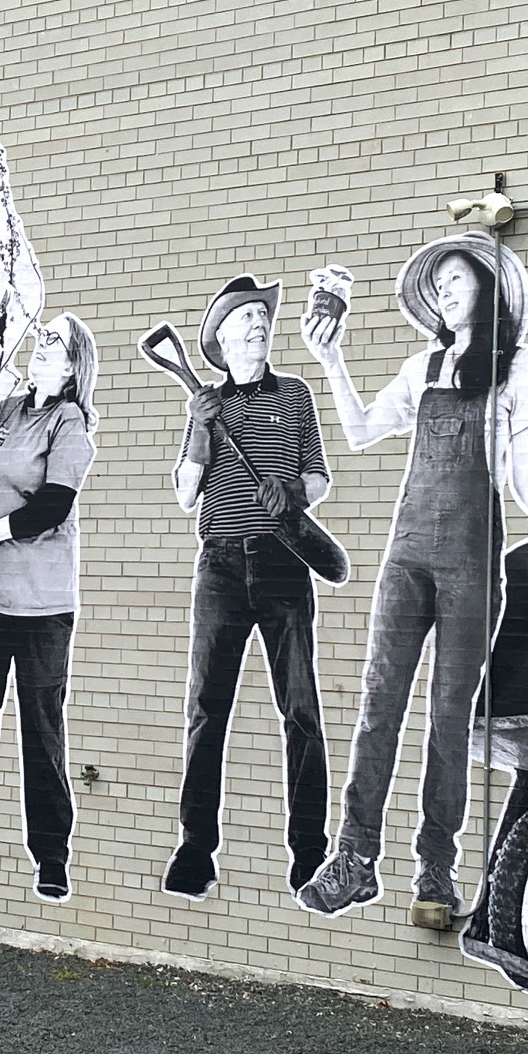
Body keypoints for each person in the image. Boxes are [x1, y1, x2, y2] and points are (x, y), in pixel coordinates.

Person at [303, 232, 528, 924]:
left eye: (458, 280)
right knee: (379, 707)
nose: (445, 291)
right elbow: (358, 431)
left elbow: (527, 478)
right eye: (438, 285)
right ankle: (354, 859)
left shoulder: (522, 369)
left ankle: (435, 873)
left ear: (491, 290)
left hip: (472, 563)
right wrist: (331, 358)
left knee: (447, 719)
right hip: (405, 558)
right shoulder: (423, 367)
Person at [169, 273, 336, 896]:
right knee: (207, 709)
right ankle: (195, 848)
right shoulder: (206, 406)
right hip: (219, 568)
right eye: (245, 319)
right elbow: (187, 494)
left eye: (262, 318)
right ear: (222, 338)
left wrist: (292, 491)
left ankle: (309, 848)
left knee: (300, 708)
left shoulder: (295, 397)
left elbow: (320, 479)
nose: (258, 325)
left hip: (284, 561)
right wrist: (204, 431)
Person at [0, 316, 101, 895]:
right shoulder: (6, 409)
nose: (41, 350)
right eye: (41, 340)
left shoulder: (71, 422)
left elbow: (53, 505)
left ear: (72, 364)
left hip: (43, 606)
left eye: (54, 344)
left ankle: (51, 853)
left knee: (41, 729)